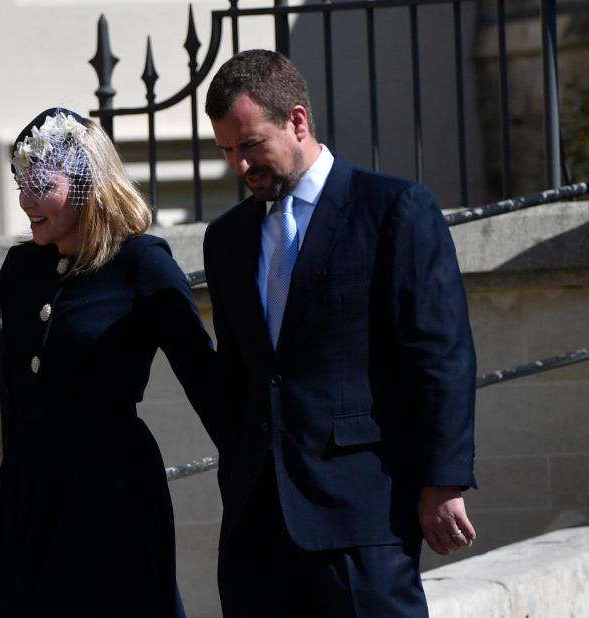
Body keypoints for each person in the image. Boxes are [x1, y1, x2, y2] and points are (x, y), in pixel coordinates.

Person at [202, 49, 477, 617]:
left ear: (297, 121)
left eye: (251, 146)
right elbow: (239, 374)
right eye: (227, 152)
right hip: (258, 524)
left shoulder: (394, 210)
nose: (241, 167)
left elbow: (440, 355)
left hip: (364, 513)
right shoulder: (226, 240)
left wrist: (441, 481)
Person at [0, 107, 219, 617]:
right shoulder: (23, 269)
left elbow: (206, 379)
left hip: (110, 493)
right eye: (19, 185)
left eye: (39, 185)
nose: (25, 202)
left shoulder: (143, 263)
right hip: (29, 491)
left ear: (86, 181)